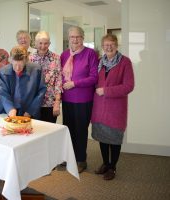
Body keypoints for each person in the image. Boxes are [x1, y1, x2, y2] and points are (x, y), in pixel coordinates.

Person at [91, 34, 134, 180]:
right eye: (106, 44)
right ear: (102, 46)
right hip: (99, 107)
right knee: (103, 138)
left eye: (112, 44)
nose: (108, 47)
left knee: (114, 139)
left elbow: (129, 86)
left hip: (115, 109)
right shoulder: (99, 62)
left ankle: (112, 167)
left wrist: (106, 91)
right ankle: (105, 164)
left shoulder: (125, 62)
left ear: (116, 45)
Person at [61, 26, 99, 173]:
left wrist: (74, 83)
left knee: (81, 130)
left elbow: (93, 77)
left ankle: (81, 160)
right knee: (68, 130)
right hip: (67, 99)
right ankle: (69, 158)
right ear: (68, 39)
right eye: (72, 37)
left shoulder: (90, 54)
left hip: (83, 99)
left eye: (78, 37)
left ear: (83, 38)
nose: (75, 40)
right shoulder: (64, 55)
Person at [0, 45, 46, 119]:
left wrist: (31, 111)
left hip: (29, 111)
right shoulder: (3, 71)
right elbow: (3, 93)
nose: (18, 68)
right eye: (15, 64)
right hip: (7, 110)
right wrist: (10, 109)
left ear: (25, 61)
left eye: (20, 65)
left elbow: (41, 91)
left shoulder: (36, 70)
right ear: (11, 60)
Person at [29, 31, 62, 123]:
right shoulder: (29, 58)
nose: (43, 46)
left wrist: (57, 102)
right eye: (40, 43)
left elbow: (58, 81)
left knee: (49, 131)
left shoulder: (56, 58)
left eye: (46, 43)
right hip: (33, 102)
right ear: (35, 43)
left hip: (50, 103)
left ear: (49, 43)